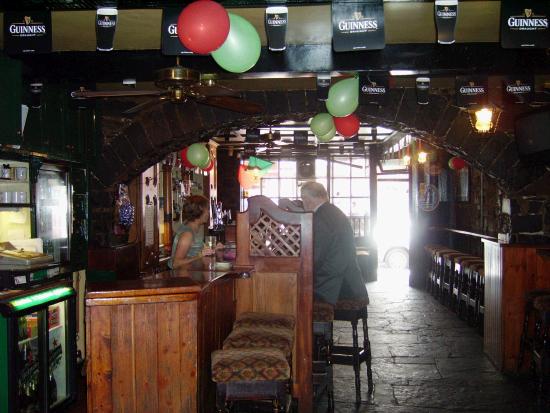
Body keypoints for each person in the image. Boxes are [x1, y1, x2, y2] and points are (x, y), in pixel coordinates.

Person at [300, 181, 368, 305]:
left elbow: (316, 258)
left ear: (307, 199)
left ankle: (314, 324)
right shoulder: (332, 211)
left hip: (335, 286)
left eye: (302, 199)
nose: (303, 203)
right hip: (348, 280)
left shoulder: (321, 218)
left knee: (296, 292)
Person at [168, 195, 217, 270]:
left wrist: (215, 248)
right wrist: (200, 256)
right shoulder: (187, 234)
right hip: (183, 279)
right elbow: (176, 263)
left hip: (191, 277)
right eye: (207, 209)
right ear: (200, 210)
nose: (208, 212)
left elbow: (194, 251)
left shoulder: (193, 229)